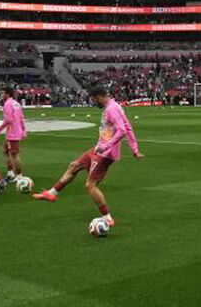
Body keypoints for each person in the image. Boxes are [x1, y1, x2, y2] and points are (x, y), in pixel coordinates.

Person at [33, 86, 143, 227]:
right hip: (99, 148)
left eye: (93, 100)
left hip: (105, 153)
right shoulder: (114, 106)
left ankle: (107, 218)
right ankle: (51, 193)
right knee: (74, 166)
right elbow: (128, 127)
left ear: (98, 97)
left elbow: (122, 130)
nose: (93, 103)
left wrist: (107, 146)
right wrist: (134, 149)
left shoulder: (112, 109)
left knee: (90, 185)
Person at [0, 86, 27, 183]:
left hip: (12, 133)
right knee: (5, 151)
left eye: (3, 93)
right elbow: (21, 118)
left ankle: (19, 176)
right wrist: (24, 130)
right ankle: (10, 173)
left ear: (8, 94)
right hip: (16, 131)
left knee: (14, 154)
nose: (1, 95)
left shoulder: (7, 104)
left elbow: (8, 119)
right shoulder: (16, 103)